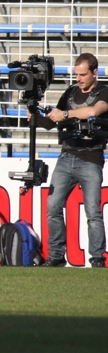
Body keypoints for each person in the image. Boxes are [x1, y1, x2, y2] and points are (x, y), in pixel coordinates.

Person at [30, 53, 108, 268]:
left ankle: (97, 258)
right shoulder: (71, 92)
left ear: (95, 72)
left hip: (91, 158)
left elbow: (93, 111)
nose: (79, 79)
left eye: (83, 74)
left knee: (93, 211)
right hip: (66, 156)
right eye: (76, 74)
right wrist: (35, 115)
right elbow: (51, 123)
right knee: (52, 206)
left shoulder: (104, 92)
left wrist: (65, 114)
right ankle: (56, 256)